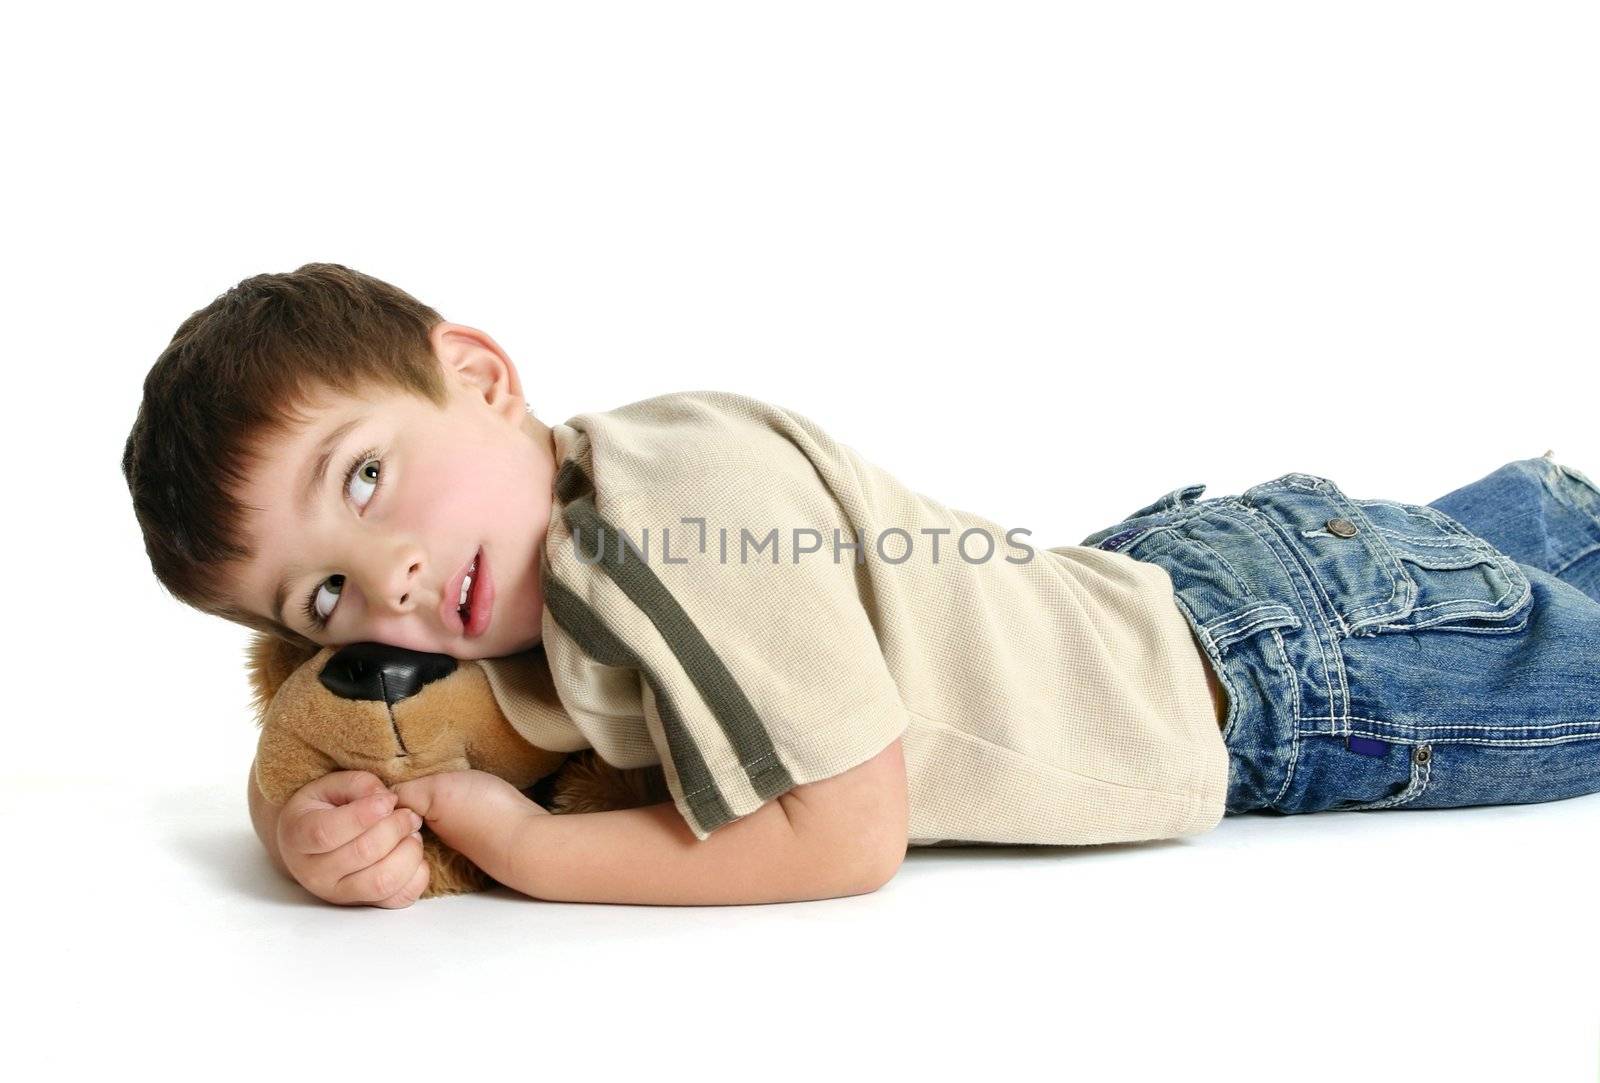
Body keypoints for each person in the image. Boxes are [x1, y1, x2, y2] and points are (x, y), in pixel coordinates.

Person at [122, 262, 1600, 908]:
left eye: (365, 479)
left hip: (1279, 683)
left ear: (480, 377)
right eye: (318, 598)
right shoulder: (527, 590)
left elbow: (842, 834)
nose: (381, 585)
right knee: (1532, 534)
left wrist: (521, 847)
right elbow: (339, 739)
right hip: (1181, 587)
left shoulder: (658, 527)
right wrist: (305, 829)